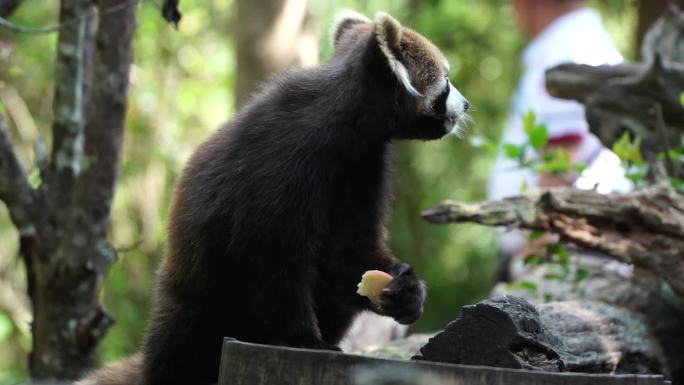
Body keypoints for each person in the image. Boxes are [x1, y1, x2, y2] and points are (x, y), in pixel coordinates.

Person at [488, 0, 631, 279]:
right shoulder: (580, 39)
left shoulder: (567, 46)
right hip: (576, 249)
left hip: (566, 256)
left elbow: (562, 156)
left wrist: (536, 253)